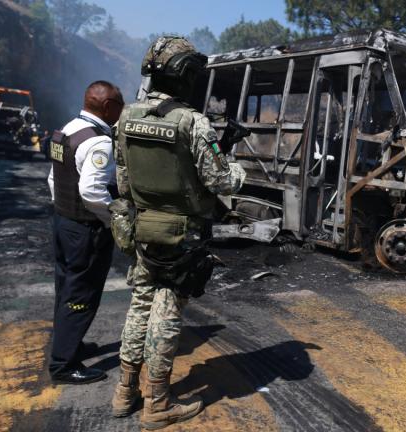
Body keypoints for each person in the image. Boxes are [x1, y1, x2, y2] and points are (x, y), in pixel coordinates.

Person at [110, 36, 245, 430]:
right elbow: (221, 180)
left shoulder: (126, 116)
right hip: (181, 236)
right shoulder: (192, 121)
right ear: (185, 75)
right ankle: (158, 403)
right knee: (165, 313)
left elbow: (122, 182)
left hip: (142, 229)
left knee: (139, 306)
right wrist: (235, 166)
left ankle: (125, 391)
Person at [47, 80, 124, 384]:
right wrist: (112, 218)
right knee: (81, 294)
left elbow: (54, 179)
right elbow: (92, 191)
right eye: (119, 105)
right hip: (85, 229)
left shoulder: (65, 130)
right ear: (107, 107)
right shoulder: (99, 141)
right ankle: (63, 365)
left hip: (63, 222)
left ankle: (68, 344)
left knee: (66, 288)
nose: (121, 111)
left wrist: (64, 211)